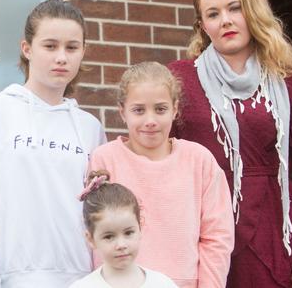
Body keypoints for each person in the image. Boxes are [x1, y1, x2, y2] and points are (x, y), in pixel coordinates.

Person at [168, 0, 292, 288]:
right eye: (213, 14)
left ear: (252, 12)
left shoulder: (289, 80)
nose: (225, 20)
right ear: (203, 27)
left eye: (234, 8)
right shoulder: (179, 78)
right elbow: (156, 152)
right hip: (201, 227)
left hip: (274, 229)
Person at [0, 0, 106, 287]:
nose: (62, 57)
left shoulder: (90, 128)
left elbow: (102, 214)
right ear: (27, 49)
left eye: (72, 47)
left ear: (83, 51)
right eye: (50, 46)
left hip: (84, 280)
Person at [88, 61, 234, 287]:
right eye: (138, 110)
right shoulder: (105, 159)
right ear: (122, 112)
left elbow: (217, 236)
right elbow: (98, 230)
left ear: (175, 109)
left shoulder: (199, 160)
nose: (150, 121)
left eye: (160, 109)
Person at [69, 170, 178, 288]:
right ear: (91, 239)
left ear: (139, 228)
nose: (121, 245)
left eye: (128, 233)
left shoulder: (163, 284)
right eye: (109, 236)